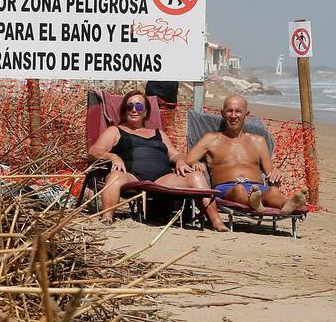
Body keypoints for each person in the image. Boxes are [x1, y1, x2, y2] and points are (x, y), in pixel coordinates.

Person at [86, 91, 229, 231]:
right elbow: (93, 151)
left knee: (196, 176)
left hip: (162, 179)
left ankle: (216, 221)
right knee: (115, 176)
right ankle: (107, 217)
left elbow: (174, 154)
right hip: (132, 177)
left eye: (139, 107)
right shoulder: (115, 131)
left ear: (146, 112)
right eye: (129, 106)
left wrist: (180, 161)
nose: (134, 110)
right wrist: (113, 157)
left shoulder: (158, 133)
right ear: (124, 110)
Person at [182, 95, 308, 215]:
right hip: (227, 187)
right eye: (229, 111)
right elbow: (187, 160)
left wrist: (276, 173)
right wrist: (195, 162)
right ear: (222, 113)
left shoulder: (258, 141)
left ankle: (287, 203)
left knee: (273, 191)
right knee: (240, 189)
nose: (233, 116)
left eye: (238, 111)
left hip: (257, 188)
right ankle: (254, 202)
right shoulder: (211, 139)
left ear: (246, 115)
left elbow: (270, 173)